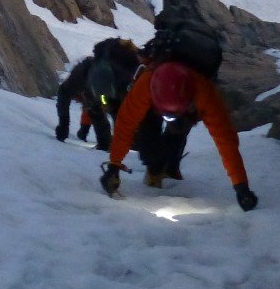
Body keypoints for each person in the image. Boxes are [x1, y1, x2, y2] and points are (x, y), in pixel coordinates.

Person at [99, 57, 258, 211]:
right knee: (149, 140)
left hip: (184, 106)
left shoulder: (204, 93)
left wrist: (241, 186)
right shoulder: (146, 83)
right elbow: (125, 125)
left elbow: (225, 140)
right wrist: (114, 165)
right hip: (156, 101)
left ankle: (170, 168)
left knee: (177, 132)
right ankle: (155, 170)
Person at [54, 37, 141, 151]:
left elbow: (64, 92)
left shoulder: (87, 71)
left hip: (114, 91)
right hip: (111, 92)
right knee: (100, 106)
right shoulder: (85, 72)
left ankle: (110, 143)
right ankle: (115, 143)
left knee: (100, 107)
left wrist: (63, 124)